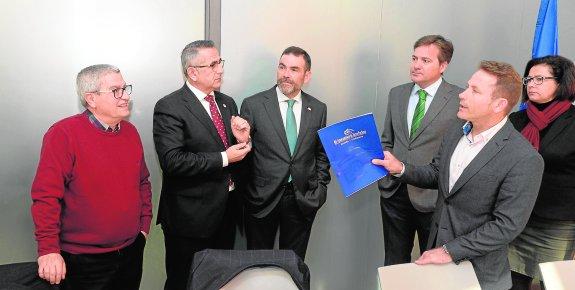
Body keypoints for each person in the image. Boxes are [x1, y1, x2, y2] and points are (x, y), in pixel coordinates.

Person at [372, 61, 544, 290]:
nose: (462, 95)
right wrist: (400, 168)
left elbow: (506, 226)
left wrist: (449, 251)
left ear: (499, 104)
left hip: (480, 275)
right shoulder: (456, 131)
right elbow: (436, 173)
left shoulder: (524, 158)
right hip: (437, 264)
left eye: (475, 91)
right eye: (467, 87)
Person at [30, 64, 153, 289]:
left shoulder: (130, 132)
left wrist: (143, 228)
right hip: (82, 261)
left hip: (130, 252)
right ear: (91, 98)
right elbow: (46, 196)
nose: (125, 96)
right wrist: (48, 250)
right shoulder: (63, 134)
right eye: (116, 90)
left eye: (125, 88)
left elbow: (142, 181)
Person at [153, 40, 251, 290]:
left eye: (220, 62)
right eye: (213, 64)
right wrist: (225, 157)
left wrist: (242, 140)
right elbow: (173, 161)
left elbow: (235, 154)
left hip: (226, 212)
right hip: (189, 218)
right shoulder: (170, 106)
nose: (220, 69)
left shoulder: (227, 102)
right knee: (183, 281)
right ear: (192, 72)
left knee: (219, 281)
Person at [379, 35, 463, 265]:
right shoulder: (396, 94)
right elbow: (388, 139)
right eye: (414, 58)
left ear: (443, 65)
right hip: (394, 192)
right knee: (394, 262)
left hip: (433, 198)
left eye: (425, 60)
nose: (416, 65)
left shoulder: (459, 99)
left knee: (431, 265)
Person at [240, 46, 331, 259]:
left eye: (294, 69)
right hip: (262, 198)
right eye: (282, 67)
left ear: (306, 75)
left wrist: (320, 189)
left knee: (293, 262)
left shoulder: (318, 108)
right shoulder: (253, 105)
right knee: (258, 263)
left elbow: (321, 153)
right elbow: (243, 153)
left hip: (301, 198)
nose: (286, 74)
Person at [507, 55, 575, 290]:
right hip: (517, 219)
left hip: (558, 224)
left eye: (540, 79)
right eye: (529, 78)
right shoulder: (516, 120)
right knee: (511, 283)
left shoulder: (573, 122)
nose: (531, 84)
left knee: (554, 284)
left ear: (562, 83)